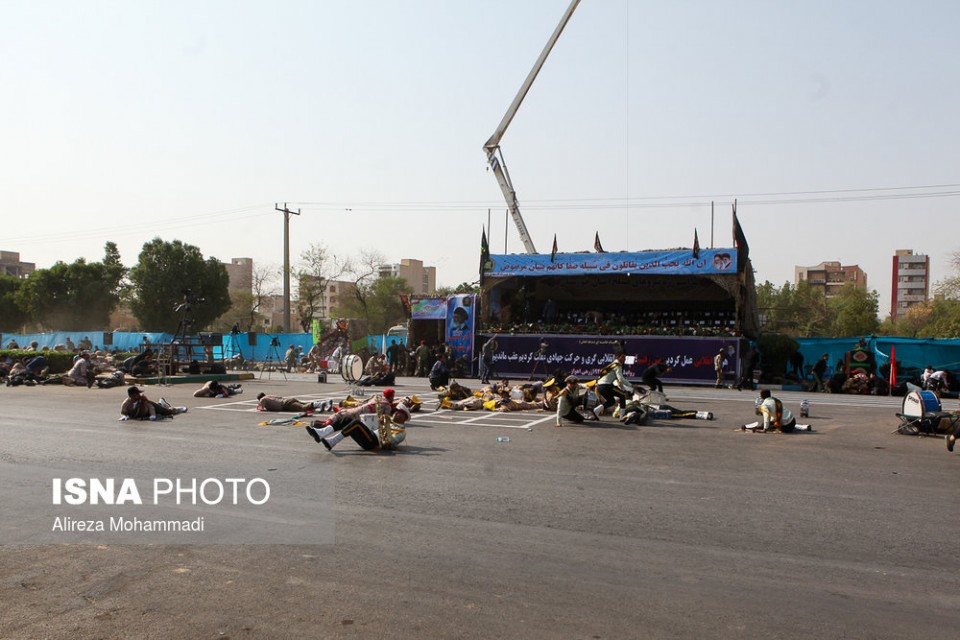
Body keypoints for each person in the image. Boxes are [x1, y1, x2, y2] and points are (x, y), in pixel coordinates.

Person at [594, 353, 633, 418]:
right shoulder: (618, 366)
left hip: (599, 387)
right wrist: (631, 385)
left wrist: (623, 389)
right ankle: (622, 417)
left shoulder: (611, 365)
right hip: (606, 386)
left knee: (611, 401)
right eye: (623, 357)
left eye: (625, 358)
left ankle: (596, 410)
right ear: (617, 357)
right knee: (622, 396)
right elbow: (621, 379)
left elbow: (618, 382)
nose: (624, 359)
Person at [120, 386, 185, 420]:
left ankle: (176, 409)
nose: (138, 395)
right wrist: (124, 417)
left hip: (151, 408)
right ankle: (162, 402)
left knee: (167, 412)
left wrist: (153, 415)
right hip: (144, 414)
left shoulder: (142, 399)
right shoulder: (126, 404)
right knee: (159, 413)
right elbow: (123, 413)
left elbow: (150, 407)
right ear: (131, 395)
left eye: (138, 393)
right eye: (136, 394)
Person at [256, 392, 328, 413]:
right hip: (288, 400)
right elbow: (280, 397)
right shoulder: (270, 396)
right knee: (305, 404)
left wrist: (260, 405)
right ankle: (323, 403)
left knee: (303, 408)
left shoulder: (263, 399)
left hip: (285, 405)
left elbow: (261, 406)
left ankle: (320, 404)